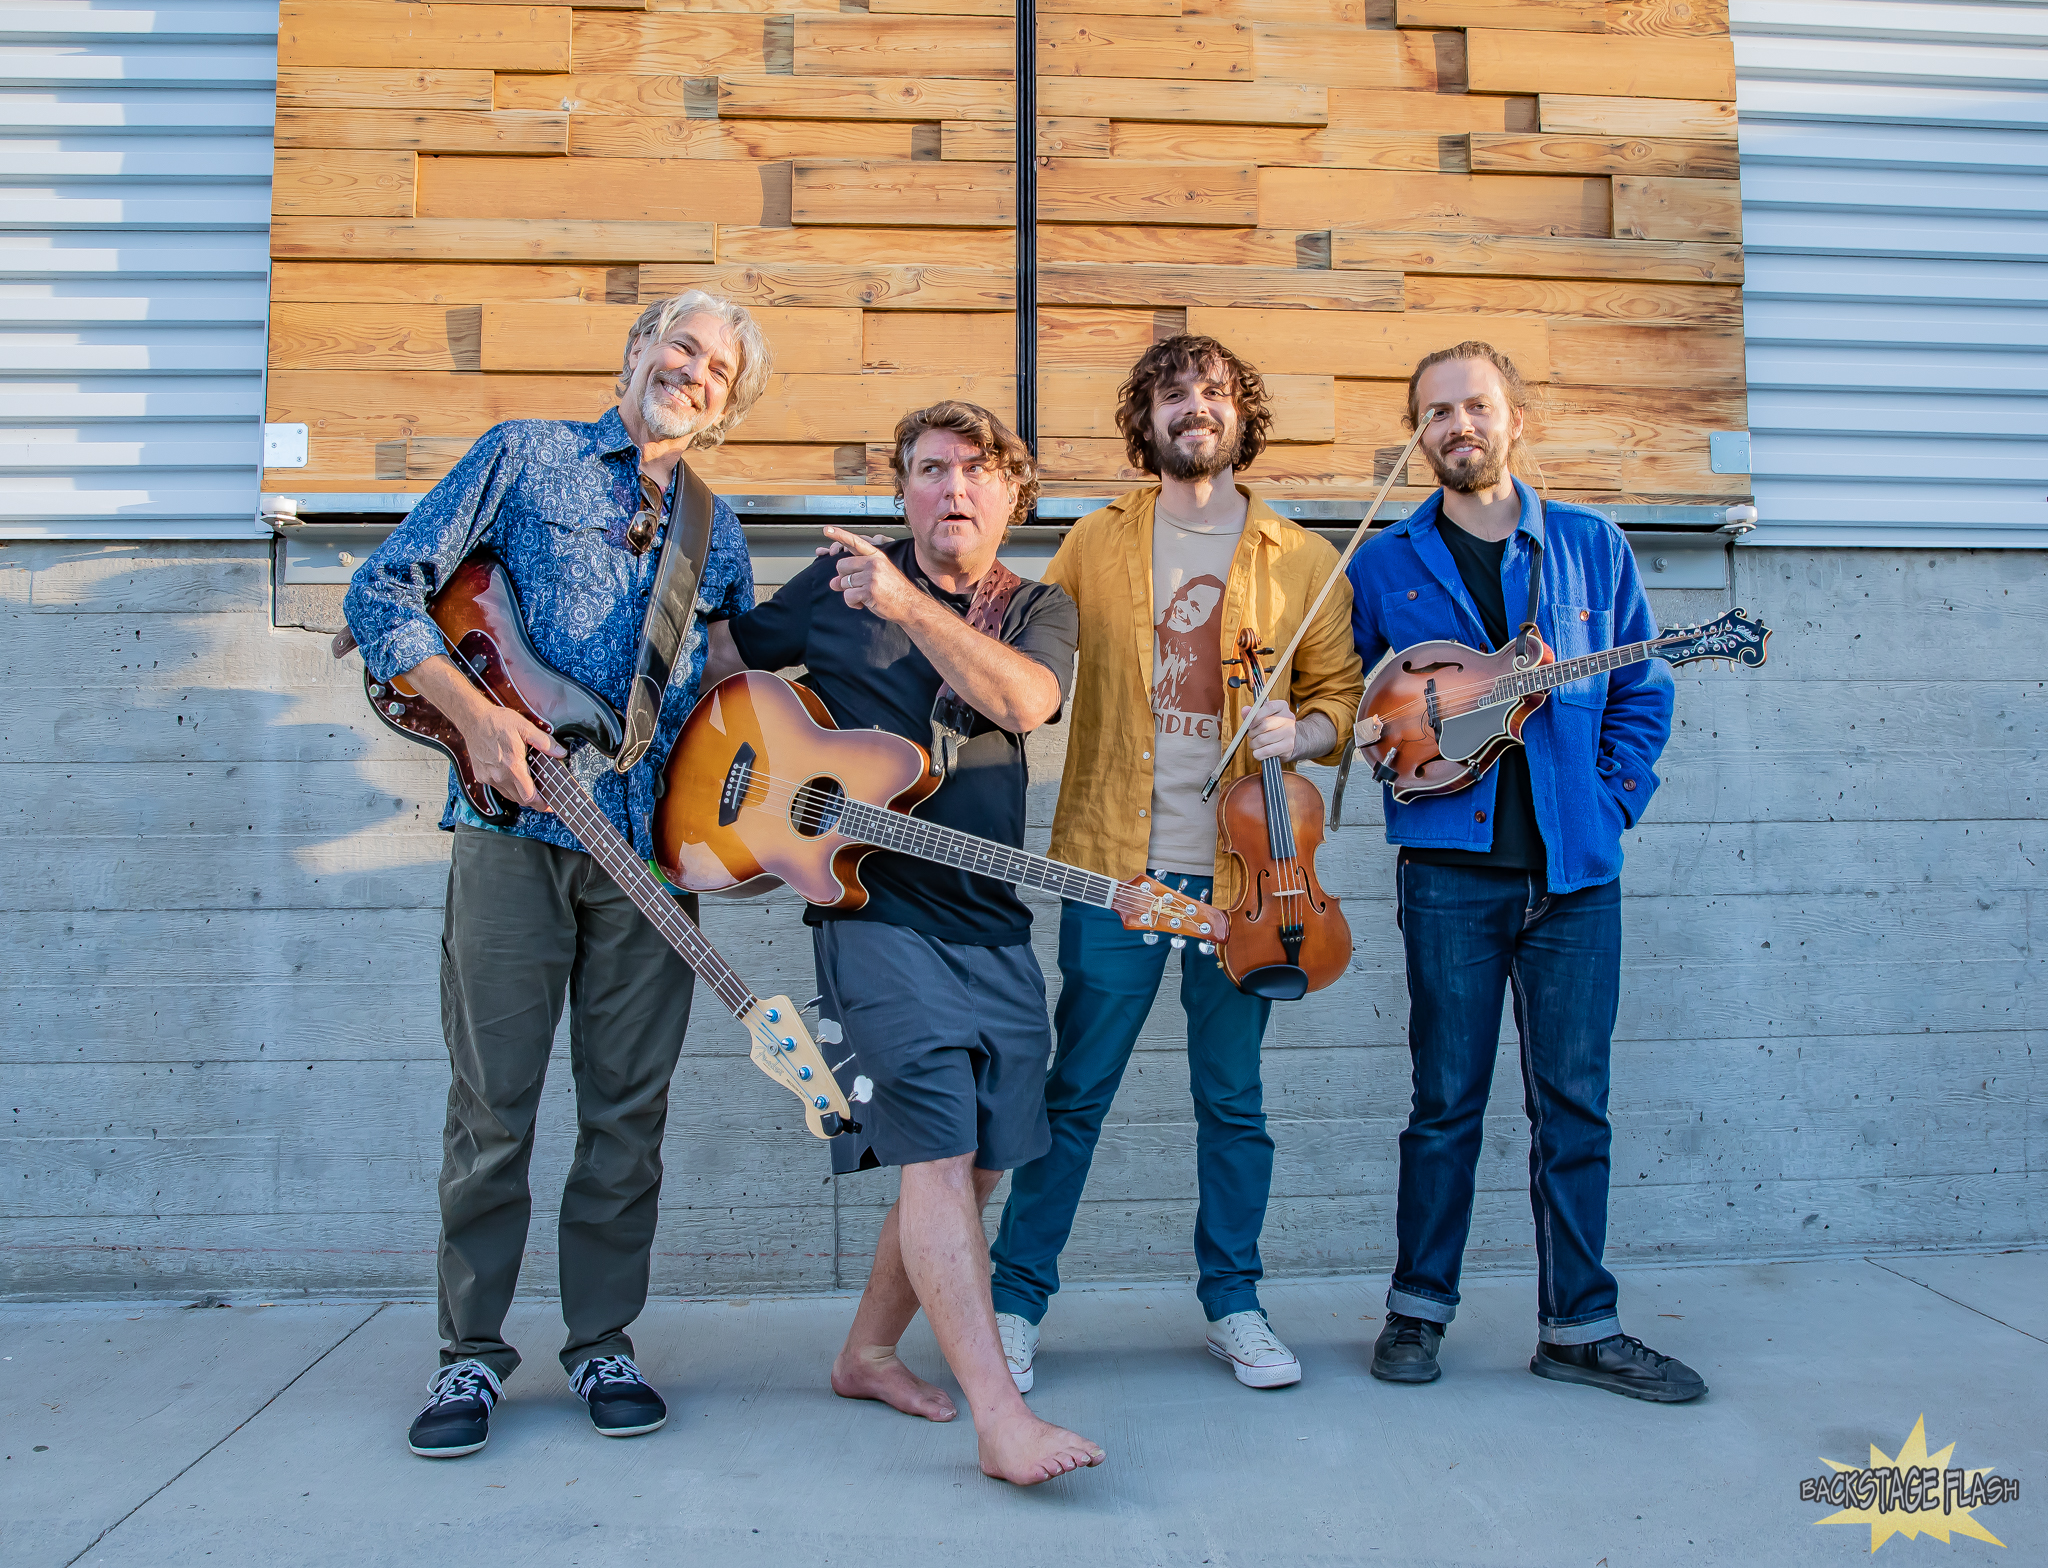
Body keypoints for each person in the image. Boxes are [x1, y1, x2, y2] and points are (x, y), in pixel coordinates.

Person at [343, 291, 771, 1457]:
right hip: (513, 835)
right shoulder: (521, 459)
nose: (691, 372)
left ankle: (602, 1343)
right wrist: (477, 721)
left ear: (726, 407)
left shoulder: (712, 530)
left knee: (628, 1116)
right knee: (494, 1109)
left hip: (649, 855)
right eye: (679, 346)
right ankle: (468, 1357)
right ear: (635, 351)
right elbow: (381, 591)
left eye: (717, 369)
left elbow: (731, 693)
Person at [700, 400, 1102, 1486]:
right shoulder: (834, 588)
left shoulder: (1038, 608)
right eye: (929, 471)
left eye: (976, 472)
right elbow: (722, 665)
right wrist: (734, 801)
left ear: (1011, 496)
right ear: (901, 492)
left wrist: (910, 609)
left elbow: (1019, 704)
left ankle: (865, 1352)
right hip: (870, 916)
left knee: (972, 1171)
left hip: (992, 923)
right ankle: (999, 1419)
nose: (953, 489)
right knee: (931, 1155)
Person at [986, 335, 1364, 1393]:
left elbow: (1339, 698)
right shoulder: (1093, 543)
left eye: (1209, 392)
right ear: (1143, 420)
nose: (1191, 408)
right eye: (1169, 394)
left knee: (1231, 1099)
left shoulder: (1300, 557)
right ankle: (1015, 1303)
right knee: (1075, 1093)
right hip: (1117, 866)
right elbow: (1030, 665)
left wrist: (1309, 734)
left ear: (1239, 414)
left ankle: (1233, 1301)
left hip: (1251, 881)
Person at [1345, 339, 1707, 1402]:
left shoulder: (1591, 547)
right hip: (1449, 873)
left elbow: (1641, 692)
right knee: (1443, 1102)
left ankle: (1578, 1327)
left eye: (1475, 405)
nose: (1458, 424)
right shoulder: (1379, 564)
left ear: (1512, 417)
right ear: (1417, 434)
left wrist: (1611, 802)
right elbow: (1362, 712)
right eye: (1436, 411)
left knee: (1574, 1104)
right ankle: (1416, 1310)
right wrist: (1390, 743)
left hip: (1575, 874)